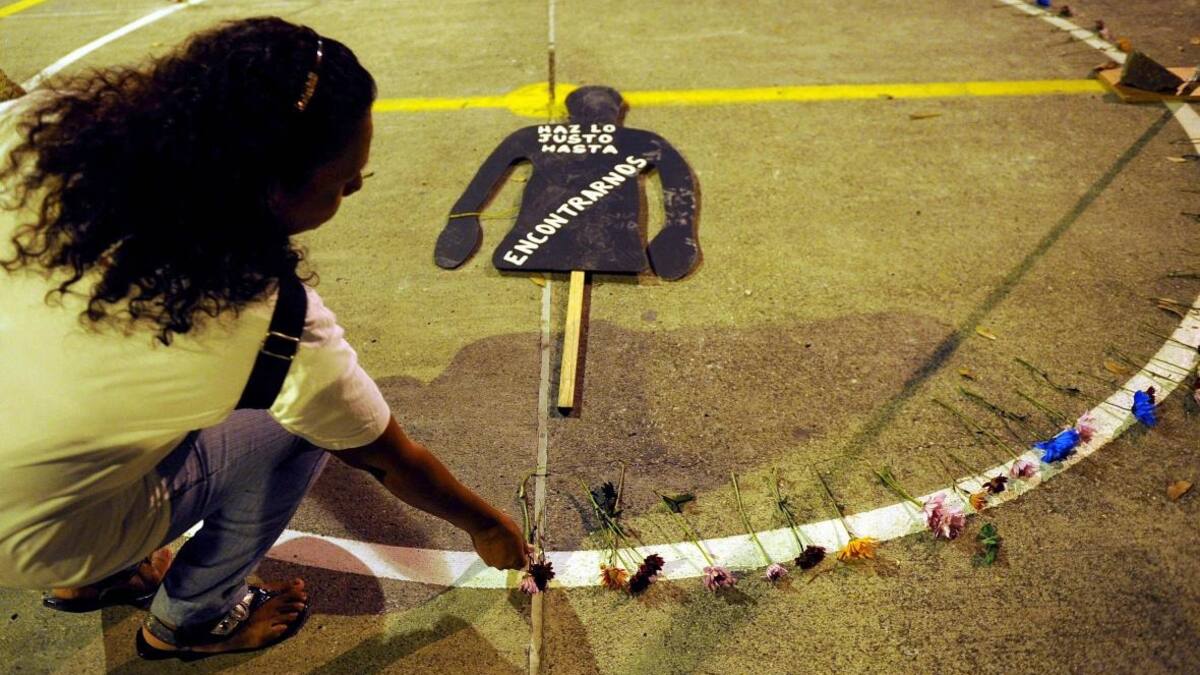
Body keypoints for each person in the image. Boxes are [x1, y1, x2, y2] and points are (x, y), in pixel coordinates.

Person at [0, 17, 529, 661]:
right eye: (343, 179)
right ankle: (192, 619)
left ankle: (95, 579)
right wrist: (486, 524)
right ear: (270, 190)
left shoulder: (32, 136)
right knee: (303, 425)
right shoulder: (272, 324)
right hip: (30, 537)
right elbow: (389, 459)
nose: (356, 185)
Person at [434, 85, 700, 280]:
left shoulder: (532, 134)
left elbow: (486, 175)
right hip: (617, 248)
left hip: (529, 245)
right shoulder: (642, 139)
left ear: (571, 112)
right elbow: (678, 179)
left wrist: (462, 217)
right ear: (616, 111)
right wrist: (679, 229)